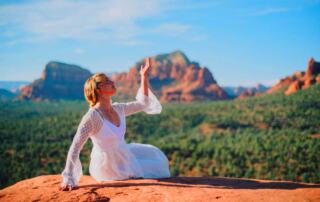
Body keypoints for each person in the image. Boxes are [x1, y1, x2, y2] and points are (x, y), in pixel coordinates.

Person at [59, 58, 170, 191]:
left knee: (157, 159)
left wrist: (143, 76)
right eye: (107, 81)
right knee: (152, 168)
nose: (113, 82)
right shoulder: (93, 117)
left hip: (125, 156)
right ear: (99, 89)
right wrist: (69, 177)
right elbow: (76, 146)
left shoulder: (118, 109)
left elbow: (143, 104)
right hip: (107, 167)